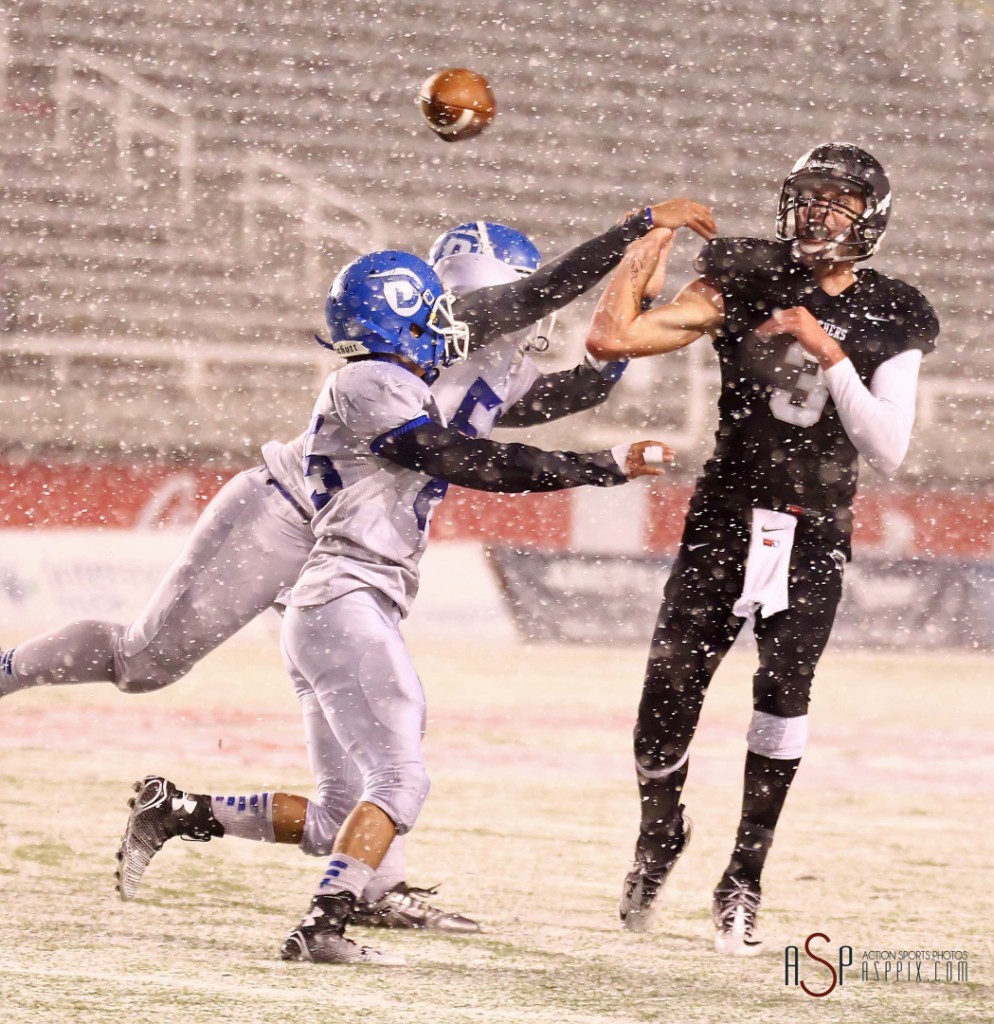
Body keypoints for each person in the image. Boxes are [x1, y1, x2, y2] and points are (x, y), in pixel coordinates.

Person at [0, 199, 714, 932]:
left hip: (354, 542)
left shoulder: (488, 358)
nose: (532, 312)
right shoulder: (449, 328)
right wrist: (635, 225)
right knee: (143, 662)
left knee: (363, 760)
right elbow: (536, 299)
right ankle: (7, 669)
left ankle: (362, 885)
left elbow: (579, 387)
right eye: (515, 291)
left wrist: (634, 295)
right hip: (285, 516)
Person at [585, 144, 938, 955]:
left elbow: (886, 448)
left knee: (783, 698)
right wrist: (648, 240)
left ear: (870, 214)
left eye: (839, 199)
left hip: (815, 526)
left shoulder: (896, 311)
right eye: (809, 195)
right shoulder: (747, 270)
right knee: (663, 702)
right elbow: (616, 336)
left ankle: (743, 877)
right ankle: (661, 831)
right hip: (727, 513)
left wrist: (832, 353)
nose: (819, 211)